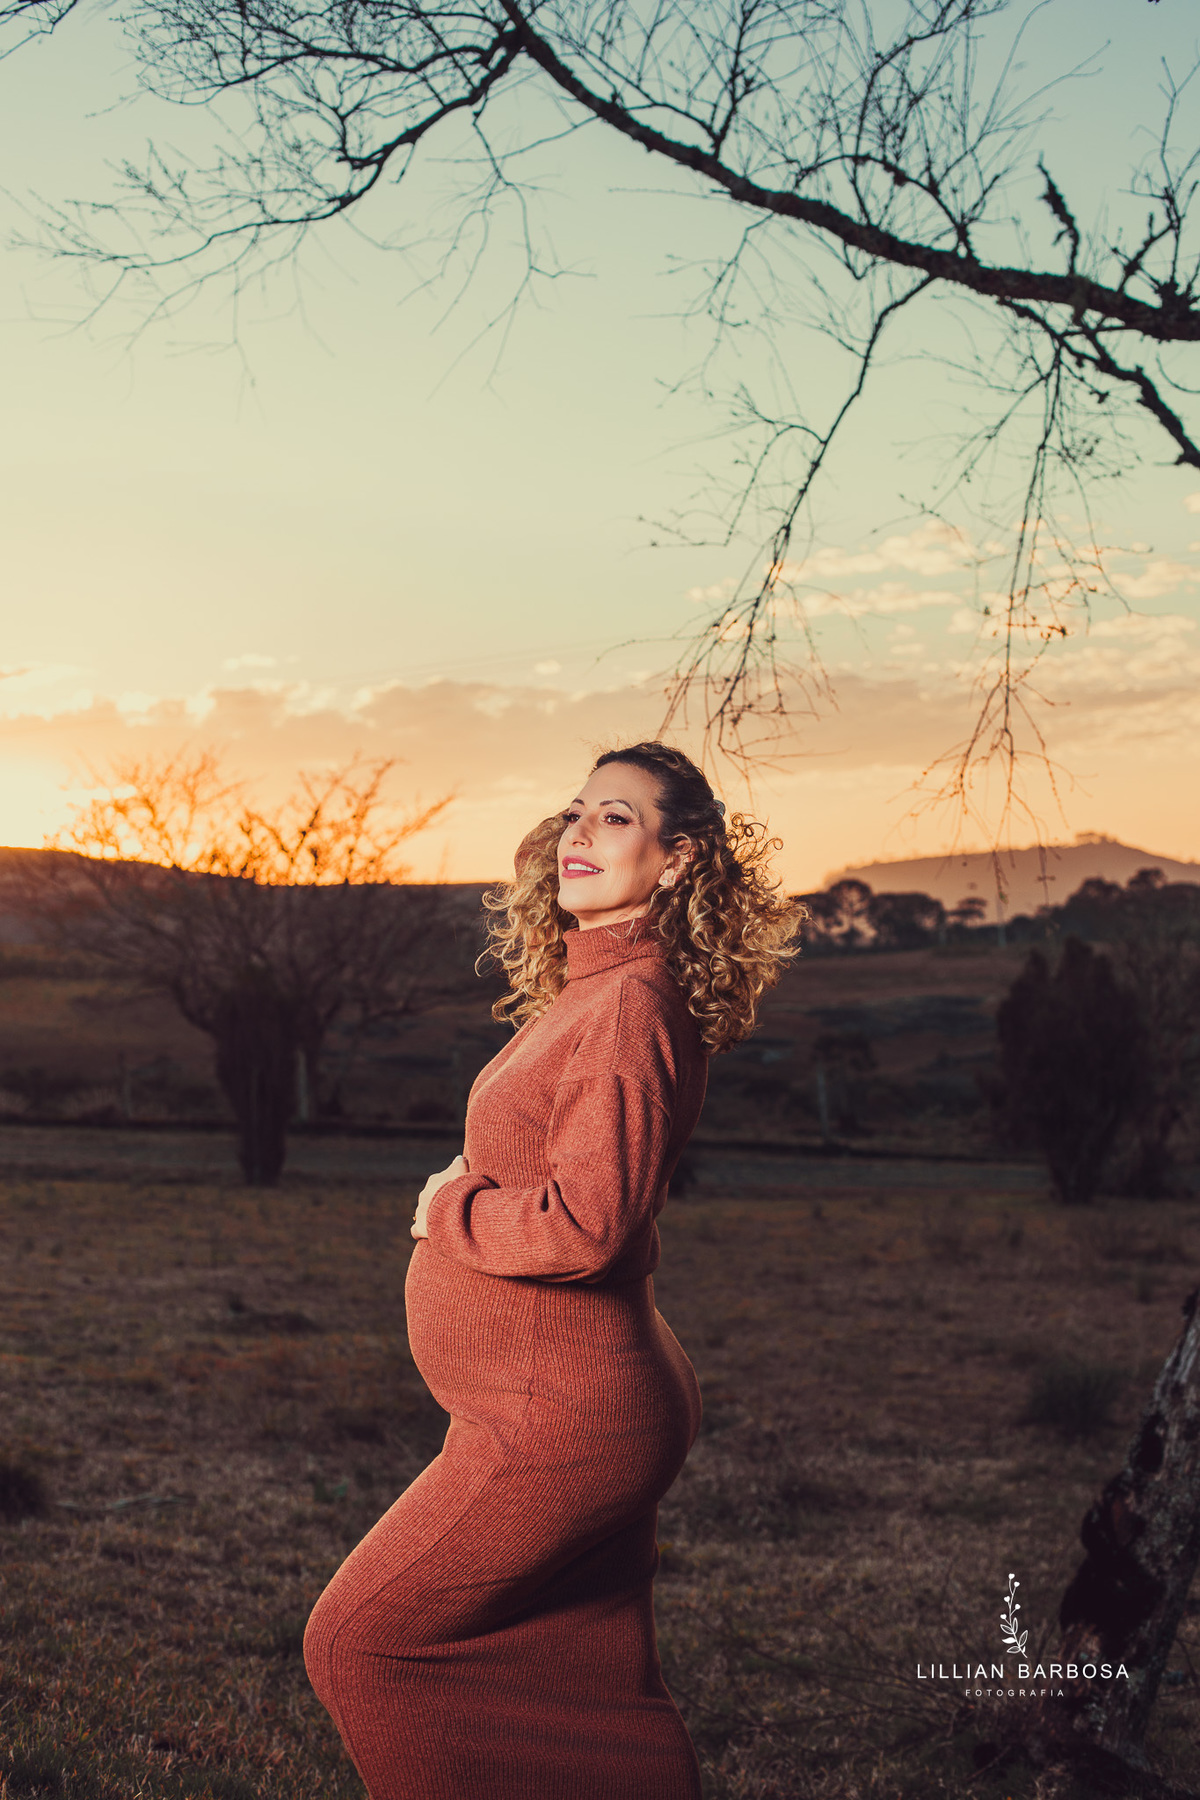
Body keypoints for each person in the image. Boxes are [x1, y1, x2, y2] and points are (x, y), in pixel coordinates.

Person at [304, 740, 803, 1800]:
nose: (580, 831)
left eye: (617, 817)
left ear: (677, 860)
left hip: (562, 1417)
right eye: (577, 811)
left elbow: (587, 1227)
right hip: (558, 1401)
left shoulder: (628, 1008)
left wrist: (454, 1211)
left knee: (362, 1646)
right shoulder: (600, 989)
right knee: (591, 1697)